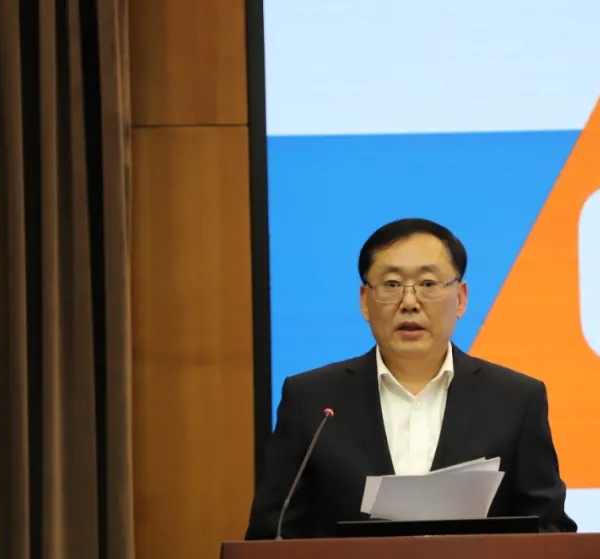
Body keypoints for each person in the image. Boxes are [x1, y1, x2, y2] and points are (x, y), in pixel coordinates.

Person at [245, 218, 577, 542]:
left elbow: (550, 531)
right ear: (365, 301)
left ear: (460, 298)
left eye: (428, 284)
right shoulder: (312, 401)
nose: (409, 303)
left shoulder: (515, 400)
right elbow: (271, 537)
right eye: (391, 285)